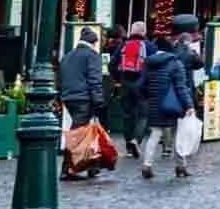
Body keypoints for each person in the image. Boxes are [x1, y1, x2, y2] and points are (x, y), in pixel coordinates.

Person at [138, 23, 195, 180]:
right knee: (178, 136)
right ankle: (181, 166)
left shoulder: (149, 64)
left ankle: (147, 165)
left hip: (155, 104)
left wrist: (148, 97)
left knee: (155, 134)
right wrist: (189, 105)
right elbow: (181, 87)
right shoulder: (175, 64)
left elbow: (141, 86)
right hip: (173, 105)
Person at [57, 27, 107, 181]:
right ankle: (68, 168)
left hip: (69, 98)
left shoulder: (68, 56)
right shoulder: (92, 56)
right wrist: (99, 102)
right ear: (94, 43)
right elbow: (95, 80)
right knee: (78, 134)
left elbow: (60, 79)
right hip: (84, 99)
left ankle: (92, 166)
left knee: (85, 131)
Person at [114, 21, 153, 153]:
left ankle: (128, 145)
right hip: (142, 85)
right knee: (143, 115)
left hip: (125, 83)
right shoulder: (149, 46)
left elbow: (112, 64)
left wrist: (119, 79)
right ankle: (136, 140)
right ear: (144, 32)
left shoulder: (123, 45)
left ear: (131, 31)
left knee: (127, 115)